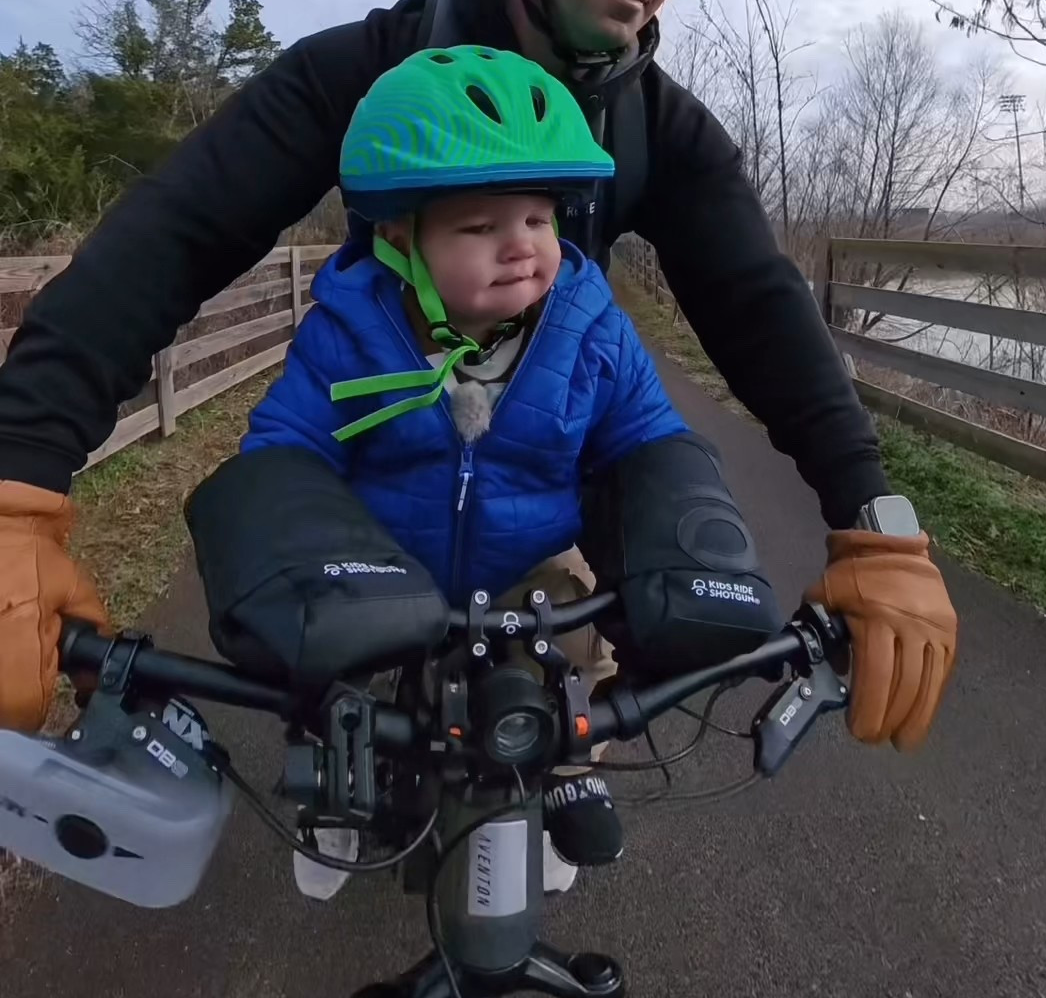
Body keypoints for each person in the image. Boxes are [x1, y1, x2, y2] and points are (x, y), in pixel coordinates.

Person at [0, 0, 957, 753]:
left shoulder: (663, 131)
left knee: (576, 710)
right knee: (334, 710)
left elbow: (761, 308)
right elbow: (173, 235)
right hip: (370, 505)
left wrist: (875, 521)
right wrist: (20, 480)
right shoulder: (365, 70)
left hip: (534, 517)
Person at [185, 44, 778, 892]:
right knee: (331, 664)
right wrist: (286, 558)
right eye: (479, 227)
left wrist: (689, 556)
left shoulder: (589, 328)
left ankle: (568, 765)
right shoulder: (350, 332)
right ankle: (336, 781)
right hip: (384, 559)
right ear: (399, 235)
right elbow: (290, 444)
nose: (521, 248)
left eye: (537, 220)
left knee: (574, 637)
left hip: (528, 562)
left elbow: (646, 436)